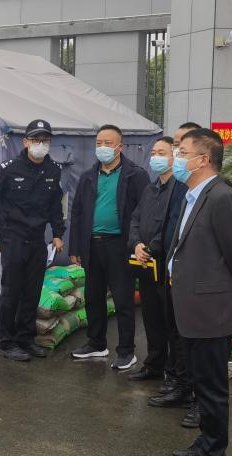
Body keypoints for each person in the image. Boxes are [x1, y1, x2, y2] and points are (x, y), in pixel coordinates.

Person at [166, 128, 232, 456]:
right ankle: (206, 442)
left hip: (212, 310)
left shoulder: (221, 197)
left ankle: (213, 453)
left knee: (212, 387)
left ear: (203, 160)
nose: (176, 159)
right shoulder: (192, 195)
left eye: (182, 153)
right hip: (193, 308)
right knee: (201, 383)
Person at [68, 124, 150, 369]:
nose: (102, 147)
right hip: (92, 245)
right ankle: (96, 343)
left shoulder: (135, 175)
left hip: (120, 246)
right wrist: (75, 248)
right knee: (93, 297)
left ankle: (126, 350)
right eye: (98, 143)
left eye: (108, 143)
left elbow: (144, 212)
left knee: (123, 299)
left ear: (120, 147)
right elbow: (77, 212)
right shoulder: (88, 176)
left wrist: (138, 243)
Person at [0, 119, 65, 362]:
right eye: (36, 139)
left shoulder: (53, 170)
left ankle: (26, 338)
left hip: (37, 239)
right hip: (13, 238)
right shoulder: (8, 169)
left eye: (45, 140)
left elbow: (55, 205)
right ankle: (6, 342)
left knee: (32, 292)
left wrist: (58, 233)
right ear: (25, 142)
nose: (40, 144)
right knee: (11, 292)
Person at [145, 123, 201, 430]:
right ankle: (179, 385)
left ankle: (197, 399)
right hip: (170, 271)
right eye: (176, 147)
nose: (177, 153)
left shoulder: (214, 193)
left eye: (181, 148)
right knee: (175, 334)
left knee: (193, 342)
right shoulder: (181, 187)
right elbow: (168, 227)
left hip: (194, 280)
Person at [126, 136, 178, 383]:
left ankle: (174, 371)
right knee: (151, 318)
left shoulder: (179, 189)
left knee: (170, 321)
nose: (156, 157)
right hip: (145, 264)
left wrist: (151, 247)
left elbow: (172, 225)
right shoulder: (150, 188)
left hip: (165, 265)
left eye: (162, 153)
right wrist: (136, 244)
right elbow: (135, 219)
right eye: (154, 153)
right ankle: (154, 364)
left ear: (174, 157)